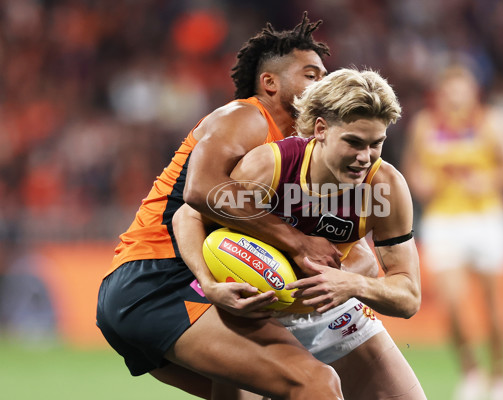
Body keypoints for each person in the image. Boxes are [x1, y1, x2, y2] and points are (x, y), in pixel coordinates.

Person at [97, 14, 350, 400]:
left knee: (257, 395)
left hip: (167, 285)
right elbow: (201, 191)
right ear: (270, 83)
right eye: (312, 75)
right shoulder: (246, 116)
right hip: (158, 278)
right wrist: (298, 243)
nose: (324, 84)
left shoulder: (295, 152)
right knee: (316, 382)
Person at [174, 68, 427, 400]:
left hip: (332, 312)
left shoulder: (385, 187)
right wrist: (208, 283)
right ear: (320, 129)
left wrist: (354, 284)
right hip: (256, 316)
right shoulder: (271, 166)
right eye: (353, 142)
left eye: (375, 144)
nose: (364, 158)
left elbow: (408, 296)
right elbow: (188, 216)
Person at [402, 64, 503, 400]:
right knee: (453, 303)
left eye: (463, 91)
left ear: (474, 92)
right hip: (444, 221)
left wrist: (489, 180)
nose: (456, 99)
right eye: (450, 92)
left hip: (485, 218)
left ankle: (501, 378)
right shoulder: (425, 125)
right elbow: (412, 167)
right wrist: (420, 182)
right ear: (441, 94)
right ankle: (471, 372)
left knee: (495, 308)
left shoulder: (492, 122)